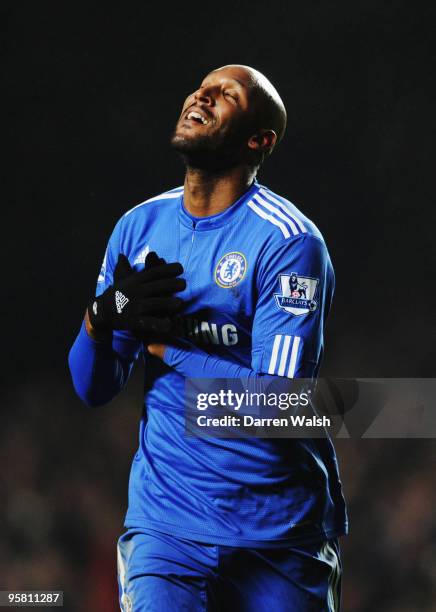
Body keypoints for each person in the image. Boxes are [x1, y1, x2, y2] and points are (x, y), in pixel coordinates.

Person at [68, 64, 348, 611]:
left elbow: (280, 410)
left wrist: (168, 347)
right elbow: (93, 388)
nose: (202, 94)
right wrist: (100, 320)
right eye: (202, 85)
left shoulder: (288, 242)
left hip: (279, 532)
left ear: (259, 139)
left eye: (227, 94)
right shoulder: (140, 228)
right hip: (167, 524)